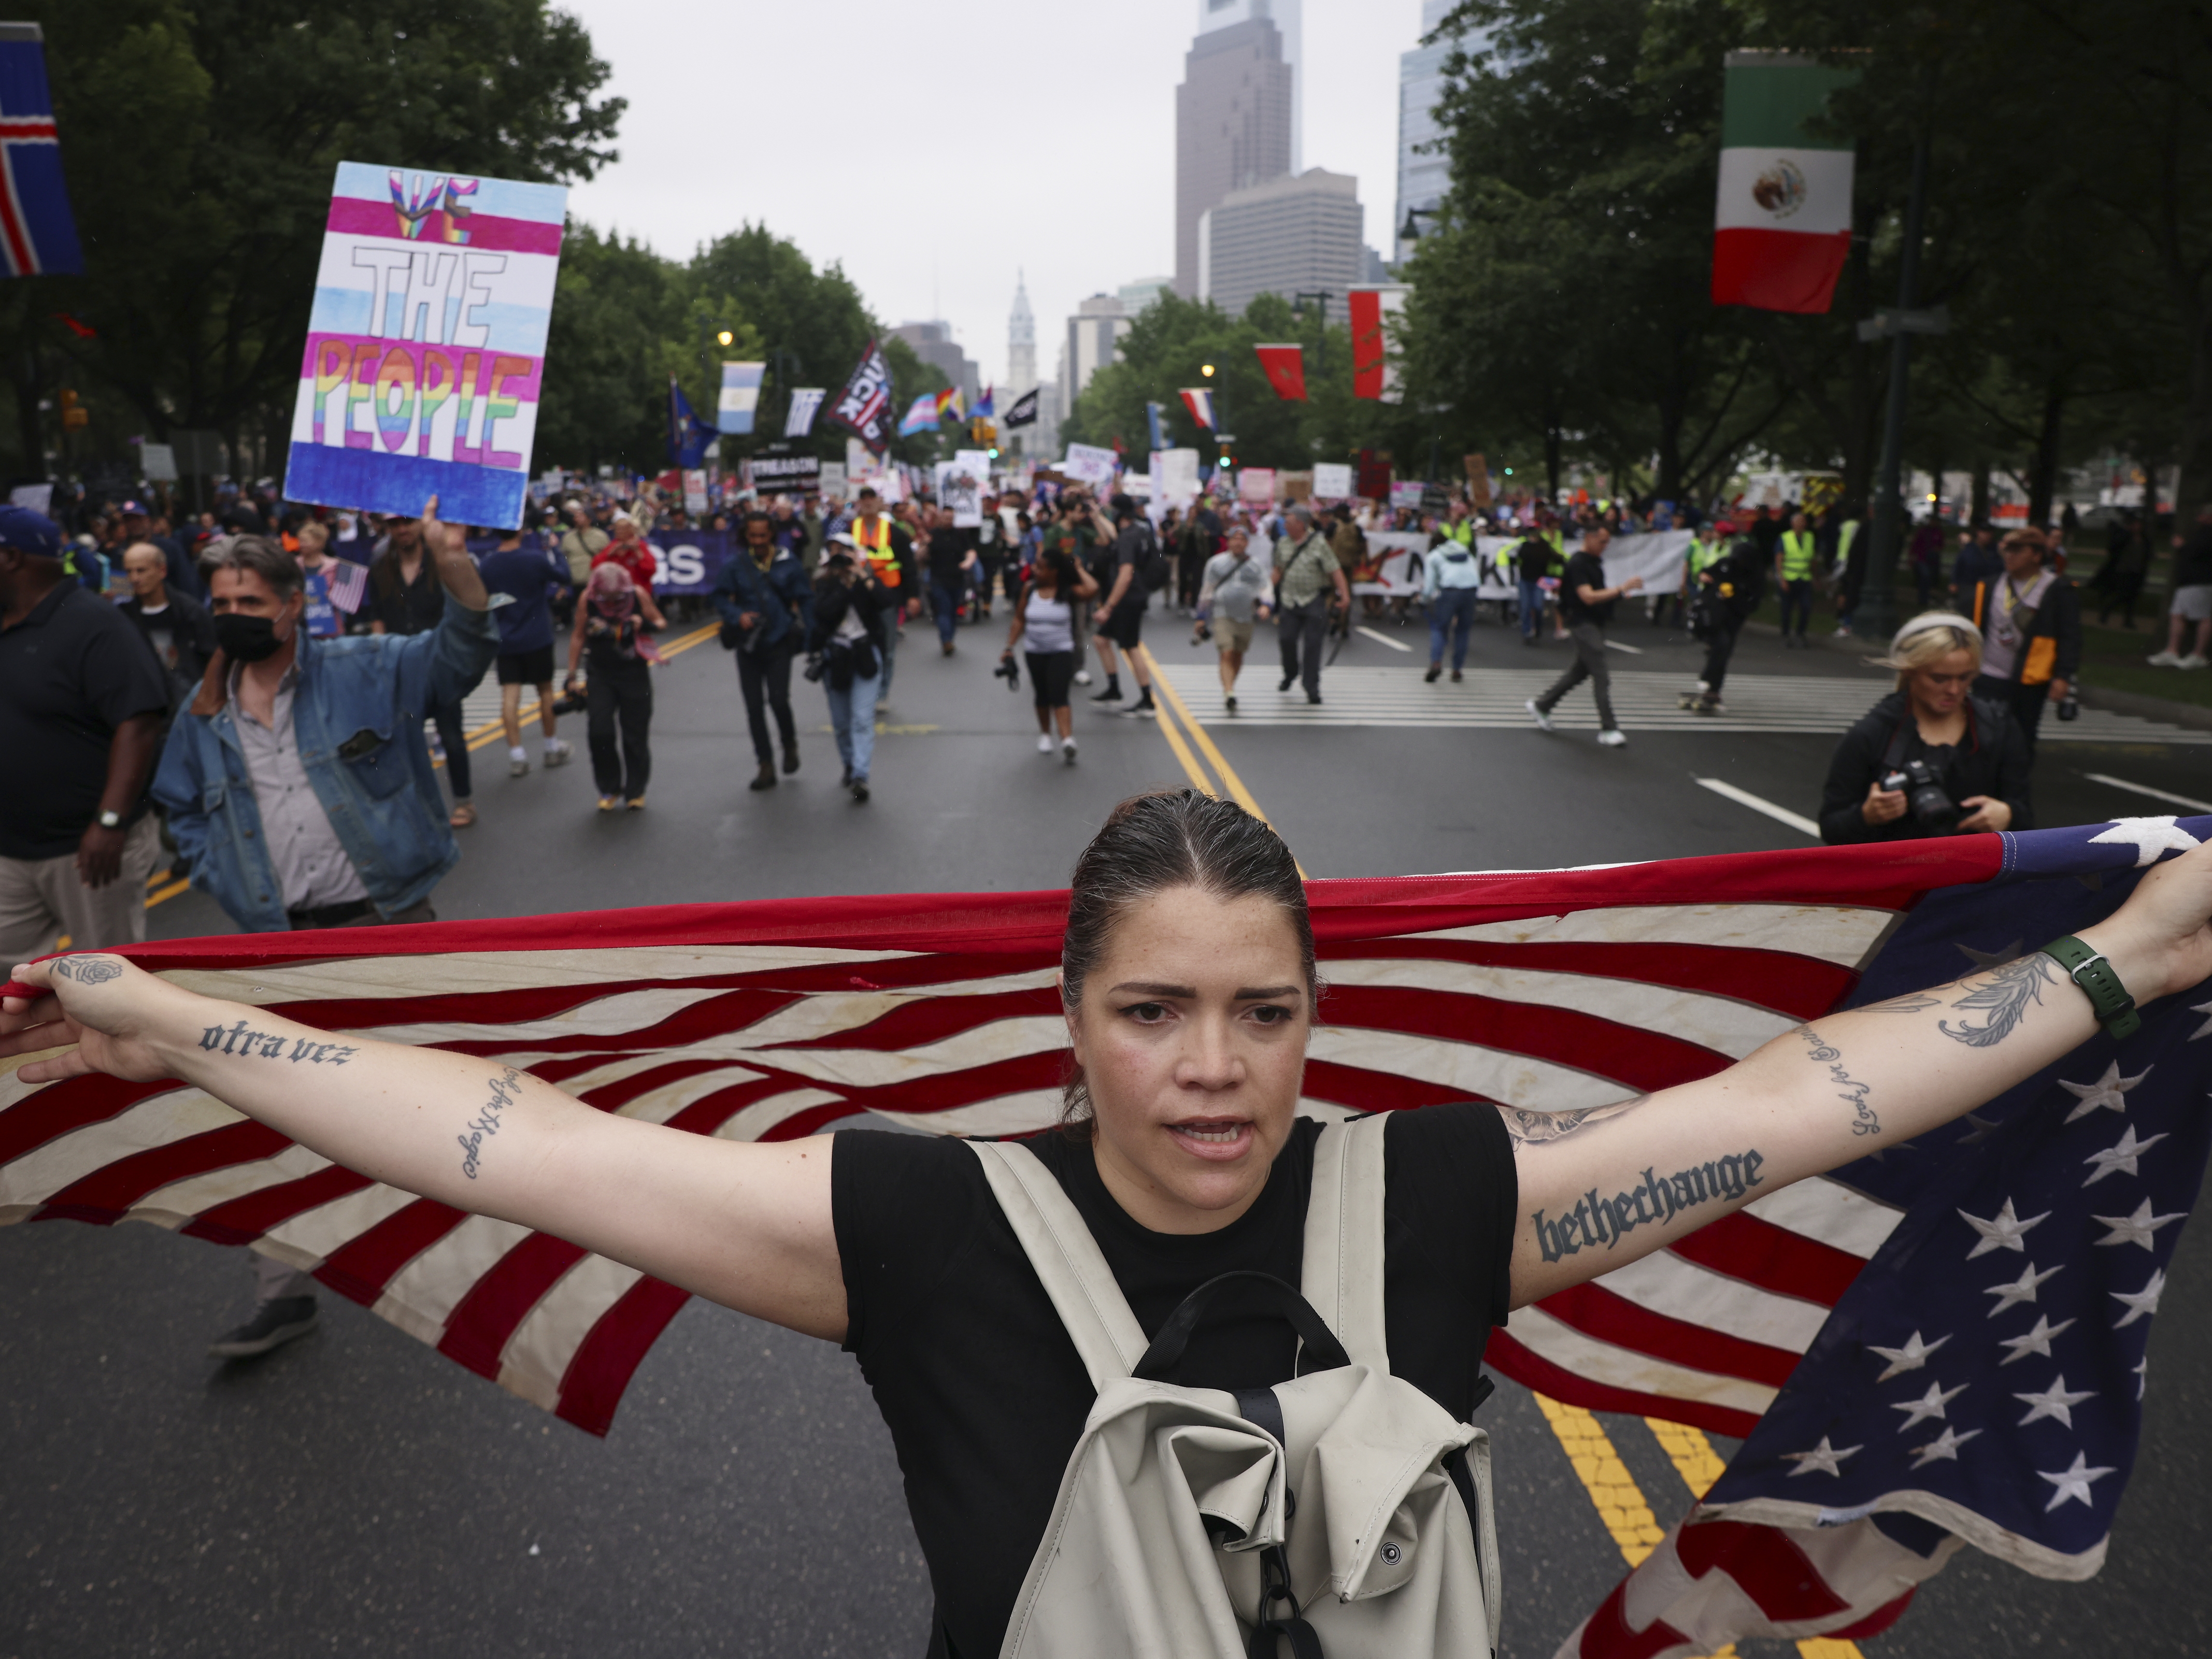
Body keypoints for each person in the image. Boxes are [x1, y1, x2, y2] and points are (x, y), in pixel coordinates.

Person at [19, 789, 2212, 1656]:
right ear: (1069, 1024)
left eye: (1262, 1012)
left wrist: (2122, 964)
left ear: (1313, 1025)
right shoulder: (921, 1229)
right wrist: (189, 1019)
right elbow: (513, 1137)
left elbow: (1802, 1095)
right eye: (1152, 1010)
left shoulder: (1439, 1197)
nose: (1209, 1064)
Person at [0, 507, 170, 965]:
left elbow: (138, 723)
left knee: (106, 979)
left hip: (88, 848)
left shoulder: (95, 624)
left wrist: (110, 821)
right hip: (12, 852)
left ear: (11, 557)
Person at [1818, 612, 2032, 843]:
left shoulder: (1998, 729)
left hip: (1974, 874)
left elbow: (2027, 818)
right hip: (1898, 874)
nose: (1954, 690)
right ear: (1909, 671)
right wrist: (1866, 816)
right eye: (1940, 678)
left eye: (1964, 678)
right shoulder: (1872, 735)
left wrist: (2008, 815)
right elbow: (1831, 828)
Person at [367, 512, 477, 829]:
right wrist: (377, 657)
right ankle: (416, 805)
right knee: (405, 739)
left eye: (407, 522)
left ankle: (463, 801)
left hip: (438, 664)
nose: (402, 530)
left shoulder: (438, 564)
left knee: (452, 736)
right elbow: (378, 616)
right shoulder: (381, 569)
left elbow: (462, 604)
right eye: (394, 525)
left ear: (419, 524)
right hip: (399, 665)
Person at [1960, 526, 2080, 760]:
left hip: (2029, 679)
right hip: (1988, 675)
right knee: (1982, 736)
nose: (2009, 556)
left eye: (2017, 550)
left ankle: (2014, 788)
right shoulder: (1990, 586)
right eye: (2007, 550)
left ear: (2037, 555)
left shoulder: (2057, 590)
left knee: (2020, 739)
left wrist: (2063, 676)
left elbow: (2070, 637)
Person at [713, 509, 813, 791]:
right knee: (754, 707)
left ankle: (789, 743)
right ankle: (765, 764)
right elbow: (719, 596)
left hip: (779, 639)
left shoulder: (787, 562)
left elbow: (805, 599)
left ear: (771, 534)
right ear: (745, 535)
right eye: (752, 535)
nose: (757, 540)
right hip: (749, 643)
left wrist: (814, 636)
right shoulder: (735, 564)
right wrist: (737, 616)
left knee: (779, 700)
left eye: (762, 535)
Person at [476, 521, 576, 779]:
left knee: (510, 696)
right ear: (520, 532)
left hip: (506, 638)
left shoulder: (488, 564)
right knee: (545, 691)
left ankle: (517, 756)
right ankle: (551, 747)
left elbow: (481, 598)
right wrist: (557, 551)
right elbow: (564, 576)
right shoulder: (535, 558)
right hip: (537, 636)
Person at [1527, 526, 1641, 746]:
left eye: (1608, 542)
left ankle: (1542, 705)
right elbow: (1587, 597)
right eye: (1602, 541)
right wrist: (1620, 589)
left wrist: (1617, 595)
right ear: (1589, 538)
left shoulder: (1592, 563)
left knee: (1579, 672)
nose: (1605, 546)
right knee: (1601, 675)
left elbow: (1597, 595)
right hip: (1582, 624)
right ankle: (1609, 728)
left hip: (1593, 623)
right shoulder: (1578, 563)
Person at [566, 564, 655, 811]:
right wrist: (571, 675)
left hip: (634, 671)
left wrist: (642, 622)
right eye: (607, 596)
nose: (612, 601)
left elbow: (660, 621)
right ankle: (609, 787)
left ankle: (636, 791)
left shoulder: (638, 594)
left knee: (634, 733)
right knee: (600, 730)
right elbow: (578, 635)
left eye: (617, 596)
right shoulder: (588, 598)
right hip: (601, 672)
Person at [1000, 540, 1097, 763]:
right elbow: (1019, 620)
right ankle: (1045, 735)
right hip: (1034, 651)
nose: (1036, 570)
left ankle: (1067, 740)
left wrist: (1078, 569)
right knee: (1042, 695)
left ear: (1054, 571)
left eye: (1041, 567)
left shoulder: (1067, 591)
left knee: (1059, 694)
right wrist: (1009, 647)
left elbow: (1092, 590)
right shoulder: (1030, 589)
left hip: (1061, 651)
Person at [807, 536, 887, 803]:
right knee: (841, 723)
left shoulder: (866, 579)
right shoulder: (825, 583)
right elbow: (823, 614)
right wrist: (841, 584)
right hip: (836, 656)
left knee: (862, 719)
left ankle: (861, 776)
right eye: (836, 554)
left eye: (846, 554)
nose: (841, 560)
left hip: (865, 654)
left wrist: (861, 576)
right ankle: (850, 765)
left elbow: (885, 601)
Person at [117, 537, 218, 711]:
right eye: (129, 571)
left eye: (141, 571)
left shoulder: (191, 612)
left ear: (162, 571)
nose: (134, 578)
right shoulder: (123, 616)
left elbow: (212, 659)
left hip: (189, 705)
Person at [1272, 505, 1350, 705]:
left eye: (1288, 521)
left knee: (1313, 645)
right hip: (1289, 600)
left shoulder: (1319, 544)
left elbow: (1335, 570)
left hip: (1313, 600)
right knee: (1286, 640)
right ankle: (1291, 673)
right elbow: (1278, 571)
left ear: (1300, 524)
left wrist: (1345, 596)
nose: (1285, 525)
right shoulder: (1282, 543)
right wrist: (1265, 595)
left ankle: (1311, 687)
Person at [1682, 526, 1765, 715]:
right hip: (1717, 613)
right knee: (1721, 644)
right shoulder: (1728, 564)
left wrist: (1734, 598)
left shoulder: (1754, 578)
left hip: (1735, 616)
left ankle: (1713, 688)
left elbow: (1752, 604)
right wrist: (1708, 579)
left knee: (1724, 650)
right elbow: (1707, 572)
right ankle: (1709, 681)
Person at [1090, 496, 1160, 718]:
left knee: (1131, 647)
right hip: (1135, 596)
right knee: (1101, 640)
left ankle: (1147, 701)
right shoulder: (1140, 532)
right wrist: (1097, 517)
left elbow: (1126, 574)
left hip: (1126, 599)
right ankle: (1113, 689)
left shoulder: (1128, 538)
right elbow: (1113, 534)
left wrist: (1108, 607)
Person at [848, 487, 917, 707]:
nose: (868, 502)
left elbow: (909, 565)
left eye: (872, 498)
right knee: (858, 642)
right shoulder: (851, 531)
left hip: (887, 595)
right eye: (864, 498)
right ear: (859, 503)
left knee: (887, 647)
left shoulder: (895, 533)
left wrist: (913, 596)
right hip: (858, 596)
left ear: (880, 503)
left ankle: (882, 693)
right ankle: (862, 688)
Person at [1197, 527, 1272, 715]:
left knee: (1238, 655)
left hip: (1246, 616)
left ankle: (1230, 685)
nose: (1238, 542)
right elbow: (1207, 590)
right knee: (1226, 652)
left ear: (1247, 543)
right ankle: (1229, 692)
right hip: (1223, 614)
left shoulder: (1255, 566)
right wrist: (1201, 617)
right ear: (1229, 541)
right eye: (1234, 539)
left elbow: (1265, 587)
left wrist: (1266, 605)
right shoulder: (1216, 563)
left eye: (1242, 539)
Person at [2147, 503, 2212, 669]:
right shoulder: (2202, 532)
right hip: (2190, 582)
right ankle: (2172, 650)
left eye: (2202, 514)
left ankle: (2198, 654)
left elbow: (2199, 552)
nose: (2198, 517)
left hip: (2201, 582)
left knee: (2204, 617)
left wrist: (2183, 546)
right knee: (2177, 615)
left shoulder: (2208, 534)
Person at [1421, 526, 1481, 682]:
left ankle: (1436, 663)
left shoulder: (1434, 555)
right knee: (1462, 631)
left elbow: (1429, 587)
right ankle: (1457, 670)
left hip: (1450, 592)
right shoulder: (1462, 549)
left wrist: (1423, 600)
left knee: (1440, 628)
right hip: (1470, 590)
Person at [922, 504, 979, 656]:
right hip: (938, 578)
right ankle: (946, 639)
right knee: (944, 608)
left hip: (957, 578)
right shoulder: (933, 534)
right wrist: (925, 545)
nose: (948, 521)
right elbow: (922, 556)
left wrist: (968, 562)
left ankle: (950, 638)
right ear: (940, 518)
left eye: (951, 518)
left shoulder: (960, 535)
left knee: (953, 610)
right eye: (946, 518)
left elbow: (971, 551)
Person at [2091, 509, 2150, 628]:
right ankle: (2107, 611)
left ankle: (2127, 621)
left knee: (2132, 598)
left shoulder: (2143, 539)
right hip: (2124, 570)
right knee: (2123, 595)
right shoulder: (2125, 536)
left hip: (2137, 571)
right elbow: (2114, 549)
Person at [1774, 510, 1817, 647]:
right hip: (1789, 578)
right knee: (1787, 609)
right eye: (1799, 522)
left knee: (1806, 607)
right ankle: (1786, 635)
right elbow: (1779, 559)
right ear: (1793, 524)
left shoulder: (1810, 537)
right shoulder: (1785, 537)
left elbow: (1812, 558)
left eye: (1804, 522)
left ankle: (1800, 633)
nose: (1802, 524)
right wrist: (1782, 580)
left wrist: (1815, 576)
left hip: (1804, 578)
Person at [1511, 521, 1556, 645]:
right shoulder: (1525, 545)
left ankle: (1537, 629)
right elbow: (1518, 558)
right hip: (1525, 580)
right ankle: (1527, 632)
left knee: (1538, 606)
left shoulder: (1545, 546)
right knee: (1525, 607)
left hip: (1540, 581)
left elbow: (1552, 559)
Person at [1950, 522, 2004, 607]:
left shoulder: (1996, 550)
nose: (1986, 535)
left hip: (1989, 587)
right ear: (1978, 533)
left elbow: (2001, 567)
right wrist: (1954, 582)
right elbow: (1958, 566)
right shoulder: (1969, 549)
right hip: (1969, 585)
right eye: (1984, 532)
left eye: (1989, 533)